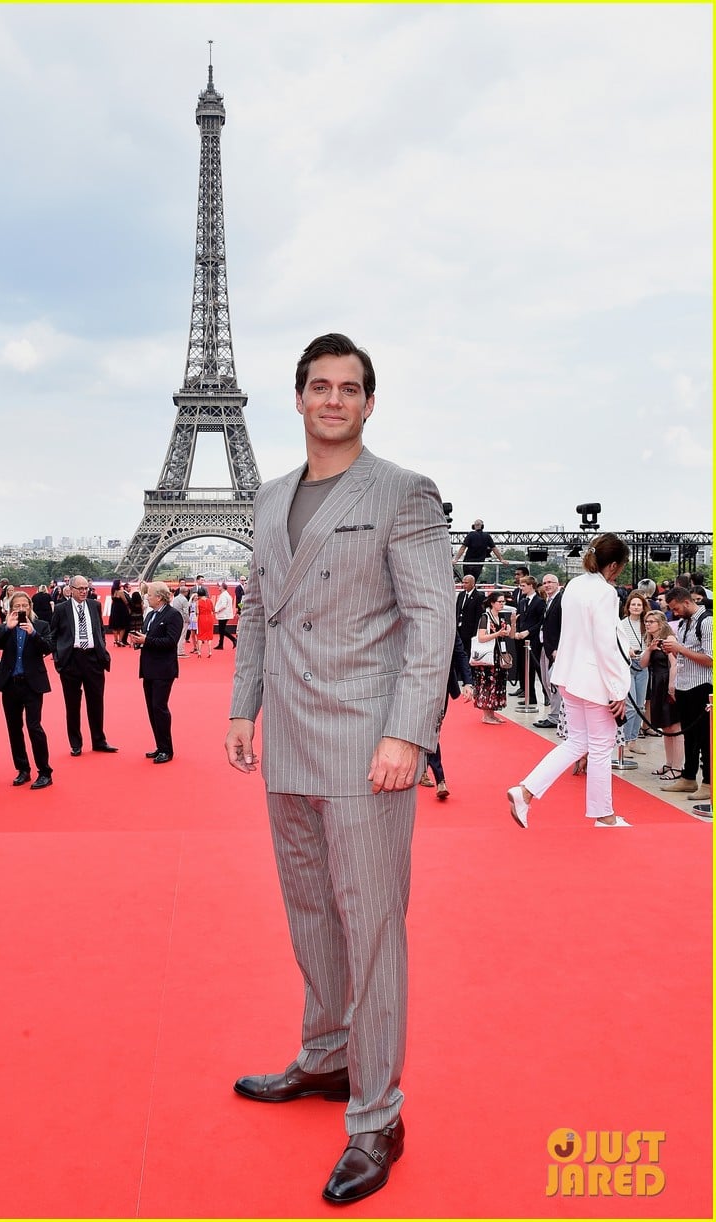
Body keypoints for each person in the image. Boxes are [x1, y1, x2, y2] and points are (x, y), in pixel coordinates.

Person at [225, 333, 453, 1205]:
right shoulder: (268, 495)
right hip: (287, 736)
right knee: (311, 913)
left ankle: (377, 1117)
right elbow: (257, 609)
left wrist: (407, 733)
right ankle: (325, 1057)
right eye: (318, 386)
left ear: (367, 402)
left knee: (372, 928)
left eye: (348, 388)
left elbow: (431, 622)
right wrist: (242, 705)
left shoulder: (402, 491)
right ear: (296, 398)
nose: (331, 399)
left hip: (366, 743)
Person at [506, 533, 632, 829]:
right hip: (594, 680)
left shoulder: (575, 585)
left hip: (569, 674)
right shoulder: (605, 593)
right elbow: (605, 644)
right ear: (614, 565)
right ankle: (604, 815)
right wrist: (618, 689)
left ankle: (526, 791)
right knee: (600, 748)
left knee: (577, 742)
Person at [0, 590, 54, 790]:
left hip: (32, 683)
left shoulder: (40, 625)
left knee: (34, 727)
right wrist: (7, 629)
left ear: (30, 607)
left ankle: (45, 772)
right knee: (14, 728)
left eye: (24, 606)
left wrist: (33, 633)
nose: (21, 609)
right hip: (10, 684)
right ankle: (23, 769)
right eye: (17, 606)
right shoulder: (5, 627)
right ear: (10, 609)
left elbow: (48, 647)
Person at [51, 575, 117, 756]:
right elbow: (53, 635)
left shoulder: (95, 605)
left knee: (96, 702)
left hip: (93, 659)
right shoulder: (61, 609)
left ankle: (99, 740)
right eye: (80, 588)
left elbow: (100, 630)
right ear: (70, 589)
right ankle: (75, 743)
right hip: (71, 660)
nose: (83, 591)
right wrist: (58, 657)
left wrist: (102, 649)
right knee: (72, 705)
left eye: (86, 588)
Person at [659, 587, 712, 801]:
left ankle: (708, 782)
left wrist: (679, 648)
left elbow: (710, 659)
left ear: (687, 602)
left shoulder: (707, 622)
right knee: (689, 735)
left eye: (676, 608)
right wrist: (671, 649)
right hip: (684, 685)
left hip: (702, 686)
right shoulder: (683, 623)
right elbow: (684, 652)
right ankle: (688, 777)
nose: (675, 613)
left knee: (706, 737)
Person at [127, 581, 183, 763]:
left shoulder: (173, 615)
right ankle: (160, 746)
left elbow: (171, 641)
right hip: (148, 668)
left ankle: (167, 749)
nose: (147, 598)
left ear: (159, 597)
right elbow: (148, 637)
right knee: (152, 709)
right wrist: (138, 640)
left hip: (163, 669)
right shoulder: (150, 614)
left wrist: (146, 640)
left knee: (159, 708)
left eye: (149, 595)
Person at [419, 634, 473, 798]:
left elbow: (460, 653)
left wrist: (468, 683)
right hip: (420, 685)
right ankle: (440, 779)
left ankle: (422, 769)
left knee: (434, 728)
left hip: (443, 685)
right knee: (431, 728)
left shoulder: (449, 625)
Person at [638, 610, 683, 780]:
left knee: (675, 726)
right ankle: (669, 763)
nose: (648, 624)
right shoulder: (651, 640)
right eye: (646, 621)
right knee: (665, 727)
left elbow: (674, 663)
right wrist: (649, 649)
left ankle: (677, 766)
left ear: (661, 623)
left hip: (667, 682)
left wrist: (672, 686)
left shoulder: (669, 639)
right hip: (656, 683)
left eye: (651, 621)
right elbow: (642, 664)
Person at [616, 591, 652, 756]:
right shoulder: (622, 624)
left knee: (640, 706)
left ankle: (633, 740)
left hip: (643, 665)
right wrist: (628, 650)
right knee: (630, 706)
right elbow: (617, 644)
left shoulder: (647, 624)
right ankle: (623, 742)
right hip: (627, 665)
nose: (636, 607)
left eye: (639, 604)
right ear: (628, 607)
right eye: (633, 604)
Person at [471, 591, 513, 725]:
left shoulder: (502, 618)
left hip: (499, 655)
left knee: (498, 683)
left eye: (503, 601)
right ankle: (486, 715)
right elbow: (481, 637)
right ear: (492, 603)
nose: (502, 604)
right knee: (488, 684)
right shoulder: (485, 617)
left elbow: (511, 635)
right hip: (488, 656)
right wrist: (497, 634)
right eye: (500, 601)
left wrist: (513, 623)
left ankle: (492, 714)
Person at [533, 574, 563, 729]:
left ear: (557, 584)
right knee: (546, 681)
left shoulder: (561, 601)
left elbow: (564, 627)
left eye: (550, 582)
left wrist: (559, 648)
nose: (547, 585)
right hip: (546, 646)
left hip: (555, 650)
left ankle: (556, 717)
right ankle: (554, 714)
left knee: (553, 683)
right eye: (544, 583)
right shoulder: (549, 600)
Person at [512, 574, 544, 710]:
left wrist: (528, 632)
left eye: (523, 585)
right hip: (521, 640)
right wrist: (517, 631)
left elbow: (540, 621)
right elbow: (520, 619)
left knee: (536, 667)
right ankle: (530, 696)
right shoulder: (522, 602)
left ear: (531, 586)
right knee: (524, 668)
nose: (521, 588)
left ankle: (547, 694)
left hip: (534, 640)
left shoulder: (540, 602)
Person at [455, 573, 483, 655]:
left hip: (470, 630)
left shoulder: (479, 596)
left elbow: (479, 615)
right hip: (459, 628)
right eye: (463, 582)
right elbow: (457, 610)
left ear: (473, 583)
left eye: (466, 583)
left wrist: (475, 632)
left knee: (468, 651)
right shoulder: (461, 595)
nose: (464, 585)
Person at [108, 579, 131, 646]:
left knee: (114, 625)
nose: (121, 584)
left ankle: (115, 640)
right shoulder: (120, 592)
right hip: (121, 610)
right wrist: (129, 608)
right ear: (118, 584)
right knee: (122, 625)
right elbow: (125, 601)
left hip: (114, 609)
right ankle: (120, 640)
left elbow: (112, 600)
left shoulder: (112, 591)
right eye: (120, 583)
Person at [214, 582, 235, 650]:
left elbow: (223, 605)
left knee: (221, 630)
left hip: (223, 615)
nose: (218, 587)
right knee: (221, 630)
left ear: (222, 587)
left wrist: (217, 610)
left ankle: (233, 639)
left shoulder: (224, 595)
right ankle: (221, 644)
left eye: (219, 586)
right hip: (224, 614)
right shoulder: (226, 594)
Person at [195, 588, 215, 658]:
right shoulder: (210, 601)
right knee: (209, 635)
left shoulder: (198, 602)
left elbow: (197, 613)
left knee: (200, 635)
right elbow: (213, 610)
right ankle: (210, 652)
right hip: (210, 618)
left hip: (201, 618)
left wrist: (196, 620)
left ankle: (199, 652)